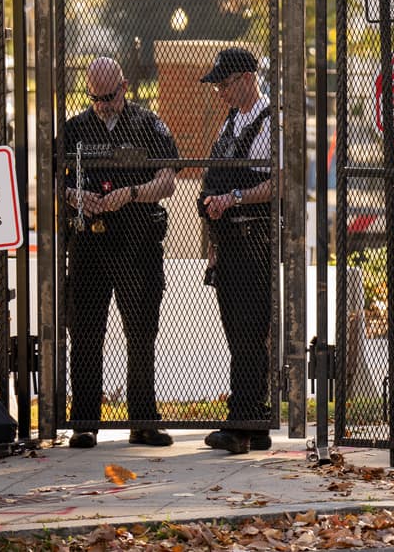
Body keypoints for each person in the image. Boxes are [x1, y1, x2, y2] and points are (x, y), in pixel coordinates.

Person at [63, 57, 179, 449]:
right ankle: (84, 422)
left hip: (136, 241)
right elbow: (52, 181)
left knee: (141, 331)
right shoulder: (75, 129)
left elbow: (167, 181)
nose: (102, 105)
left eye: (109, 97)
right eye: (94, 98)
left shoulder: (148, 124)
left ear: (124, 87)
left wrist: (130, 194)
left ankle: (143, 421)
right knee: (85, 332)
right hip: (89, 244)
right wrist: (76, 196)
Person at [198, 47, 276, 455]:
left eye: (225, 84)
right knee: (237, 331)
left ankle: (241, 423)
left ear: (247, 77)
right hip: (228, 241)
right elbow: (215, 176)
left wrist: (235, 198)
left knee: (248, 330)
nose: (221, 92)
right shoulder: (232, 121)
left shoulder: (269, 121)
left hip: (254, 241)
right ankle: (256, 420)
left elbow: (278, 183)